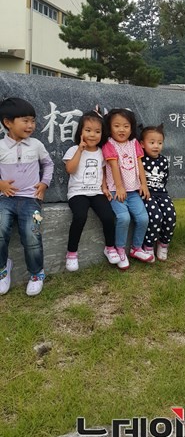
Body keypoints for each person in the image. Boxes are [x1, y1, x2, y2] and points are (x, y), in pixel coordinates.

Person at [0, 97, 54, 296]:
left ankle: (36, 273)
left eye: (33, 120)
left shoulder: (36, 145)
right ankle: (2, 270)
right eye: (25, 120)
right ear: (8, 122)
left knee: (32, 233)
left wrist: (44, 183)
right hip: (4, 199)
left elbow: (48, 164)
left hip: (31, 199)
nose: (30, 125)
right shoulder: (1, 147)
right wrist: (1, 184)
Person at [63, 109, 120, 272]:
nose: (92, 135)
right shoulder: (73, 150)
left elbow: (101, 172)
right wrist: (80, 150)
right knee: (80, 216)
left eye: (97, 131)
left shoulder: (101, 152)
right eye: (88, 130)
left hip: (96, 192)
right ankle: (72, 253)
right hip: (78, 193)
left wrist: (104, 187)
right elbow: (70, 169)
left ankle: (110, 247)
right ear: (80, 132)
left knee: (108, 217)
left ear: (102, 134)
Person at [102, 108, 153, 270]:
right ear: (110, 128)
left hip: (133, 190)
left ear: (131, 128)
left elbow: (139, 164)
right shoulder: (109, 144)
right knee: (123, 218)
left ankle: (136, 248)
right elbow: (114, 166)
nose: (121, 129)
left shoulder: (134, 143)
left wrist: (143, 184)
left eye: (126, 126)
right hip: (117, 190)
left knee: (143, 218)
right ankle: (119, 250)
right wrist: (119, 186)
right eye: (117, 126)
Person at [139, 124, 176, 262]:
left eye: (160, 143)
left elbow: (165, 178)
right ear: (142, 144)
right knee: (155, 216)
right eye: (152, 142)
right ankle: (148, 245)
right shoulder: (140, 160)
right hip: (147, 194)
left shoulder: (163, 161)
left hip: (161, 193)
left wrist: (161, 192)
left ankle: (163, 244)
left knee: (170, 215)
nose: (156, 146)